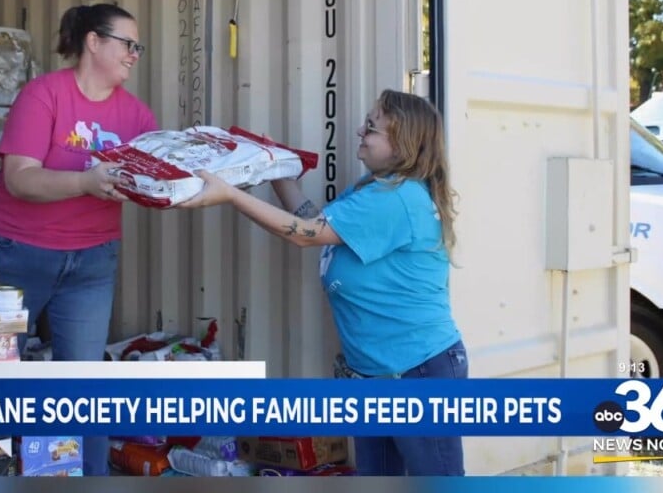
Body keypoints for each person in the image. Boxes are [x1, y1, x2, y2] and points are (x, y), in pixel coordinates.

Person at [179, 89, 467, 476]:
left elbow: (306, 233)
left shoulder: (397, 199)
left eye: (372, 128)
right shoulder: (373, 188)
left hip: (417, 371)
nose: (360, 132)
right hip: (377, 373)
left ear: (403, 146)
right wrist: (274, 168)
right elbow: (314, 219)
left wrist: (231, 195)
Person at [0, 3, 157, 476]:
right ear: (94, 42)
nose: (135, 55)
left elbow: (160, 177)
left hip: (92, 261)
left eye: (137, 47)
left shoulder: (137, 116)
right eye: (128, 44)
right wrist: (83, 182)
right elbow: (20, 178)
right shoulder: (44, 95)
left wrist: (229, 167)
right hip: (20, 253)